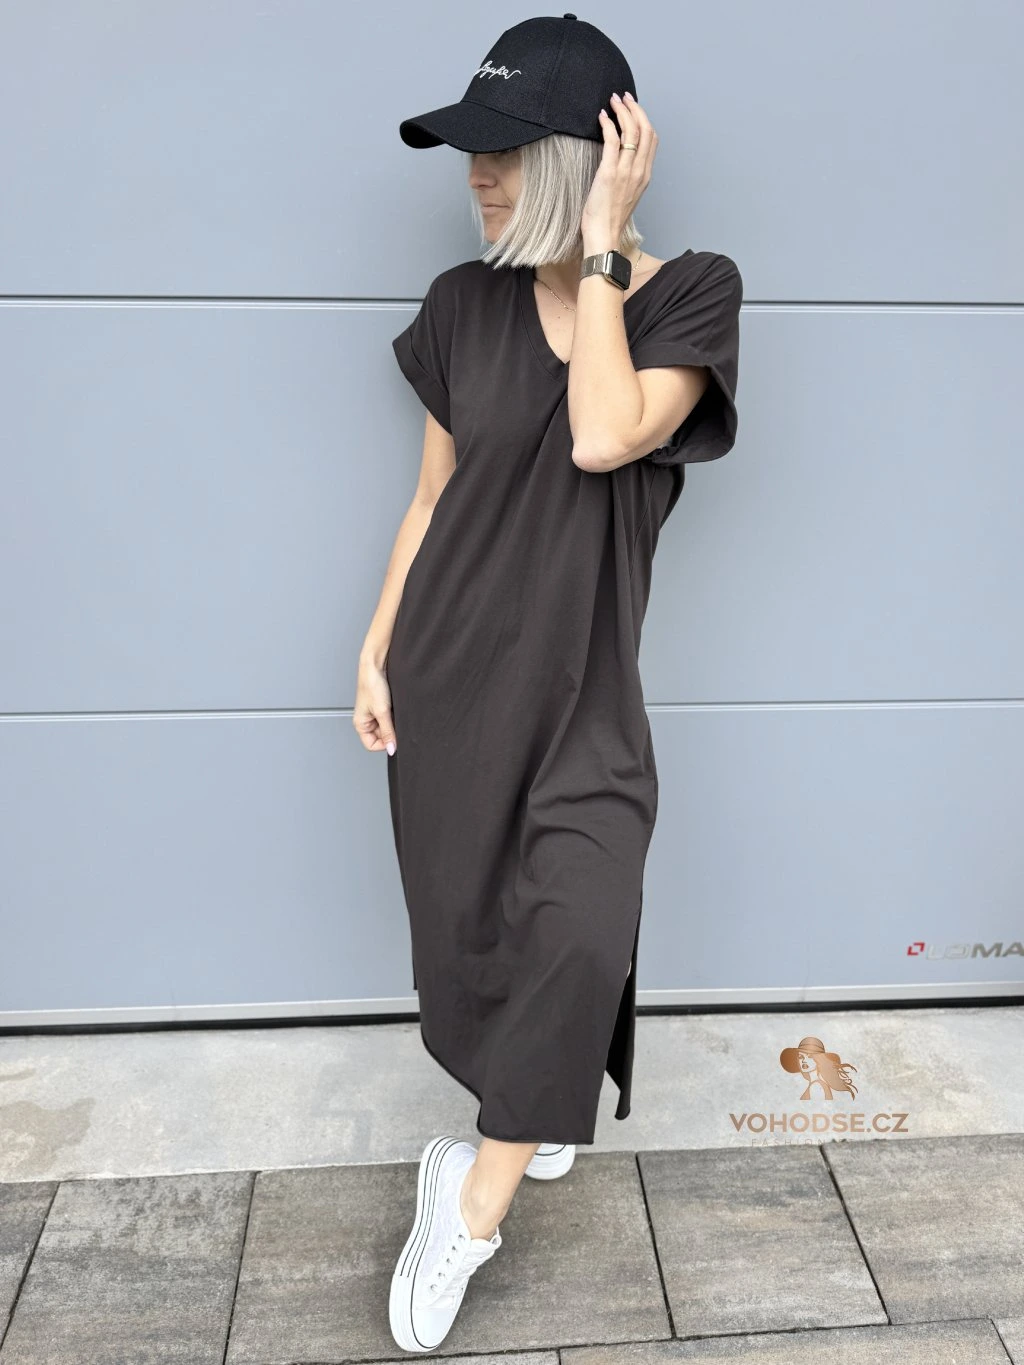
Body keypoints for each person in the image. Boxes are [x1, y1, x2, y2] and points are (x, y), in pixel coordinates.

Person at [353, 14, 743, 1353]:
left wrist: (604, 252)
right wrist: (375, 644)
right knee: (474, 930)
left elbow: (601, 437)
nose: (478, 174)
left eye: (509, 152)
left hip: (581, 689)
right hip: (450, 674)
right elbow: (432, 498)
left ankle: (467, 1207)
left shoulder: (689, 294)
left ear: (591, 160)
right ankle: (537, 1099)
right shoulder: (459, 306)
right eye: (471, 151)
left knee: (580, 921)